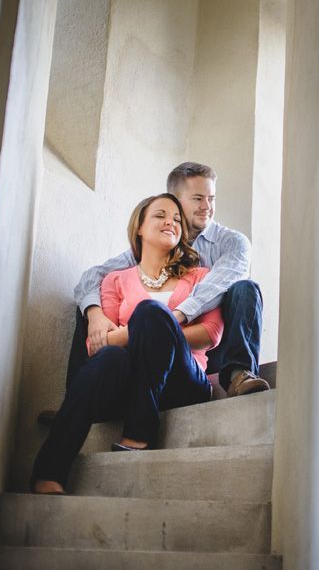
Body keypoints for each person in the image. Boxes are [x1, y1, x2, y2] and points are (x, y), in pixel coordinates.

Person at [31, 194, 223, 494]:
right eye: (160, 215)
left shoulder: (201, 276)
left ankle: (140, 430)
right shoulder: (115, 280)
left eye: (176, 219)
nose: (170, 222)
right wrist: (144, 332)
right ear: (139, 228)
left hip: (184, 381)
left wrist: (153, 331)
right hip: (130, 381)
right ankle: (50, 471)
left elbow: (211, 333)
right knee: (110, 359)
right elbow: (102, 343)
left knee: (151, 312)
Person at [70, 162, 268, 400]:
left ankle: (239, 374)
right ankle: (77, 395)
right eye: (198, 198)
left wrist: (170, 321)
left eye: (211, 199)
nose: (207, 207)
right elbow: (91, 277)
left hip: (212, 343)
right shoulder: (157, 242)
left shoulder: (233, 242)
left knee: (246, 289)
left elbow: (214, 287)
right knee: (89, 302)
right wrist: (95, 315)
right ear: (175, 199)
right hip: (156, 345)